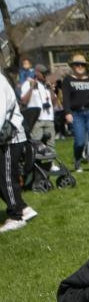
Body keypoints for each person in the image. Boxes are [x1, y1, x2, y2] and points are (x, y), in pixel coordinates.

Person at [1, 74, 35, 233]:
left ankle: (16, 217)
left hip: (10, 139)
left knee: (7, 177)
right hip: (6, 138)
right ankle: (23, 208)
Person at [62, 53, 89, 172]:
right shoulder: (68, 80)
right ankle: (77, 160)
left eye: (82, 64)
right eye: (77, 64)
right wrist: (67, 112)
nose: (80, 66)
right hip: (76, 114)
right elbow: (65, 98)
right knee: (80, 141)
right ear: (73, 66)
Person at [19, 64, 54, 142]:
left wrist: (51, 89)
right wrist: (31, 88)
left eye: (46, 74)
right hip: (36, 120)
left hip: (49, 119)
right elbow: (23, 101)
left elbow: (54, 102)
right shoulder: (28, 83)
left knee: (50, 147)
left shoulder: (46, 85)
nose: (46, 76)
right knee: (37, 146)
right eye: (43, 73)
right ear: (37, 73)